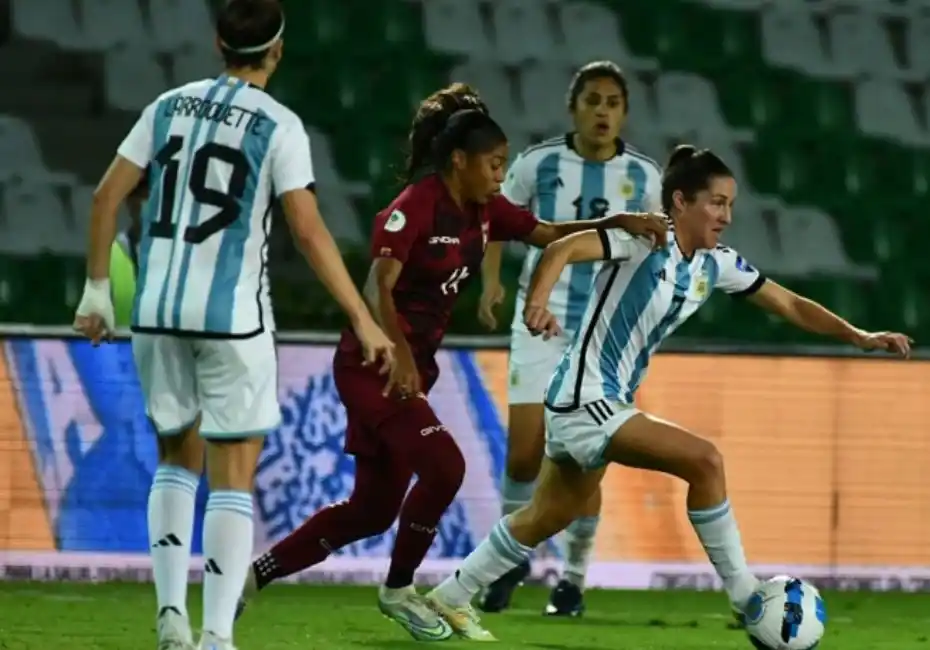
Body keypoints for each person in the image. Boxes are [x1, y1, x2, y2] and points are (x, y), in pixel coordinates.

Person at [425, 145, 912, 641]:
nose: (726, 216)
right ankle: (748, 598)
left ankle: (449, 597)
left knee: (546, 515)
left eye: (730, 205)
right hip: (585, 397)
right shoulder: (643, 238)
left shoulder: (714, 264)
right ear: (680, 202)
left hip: (599, 401)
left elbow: (787, 302)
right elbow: (561, 249)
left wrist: (859, 336)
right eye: (717, 203)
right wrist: (538, 303)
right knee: (705, 461)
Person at [234, 100, 668, 640]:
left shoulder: (487, 212)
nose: (500, 176)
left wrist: (616, 221)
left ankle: (251, 578)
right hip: (376, 367)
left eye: (505, 164)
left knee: (370, 511)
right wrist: (400, 355)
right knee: (446, 467)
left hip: (409, 370)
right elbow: (377, 288)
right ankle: (399, 591)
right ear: (459, 160)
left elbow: (548, 232)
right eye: (493, 164)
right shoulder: (415, 206)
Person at [70, 2, 396, 649]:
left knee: (174, 458)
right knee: (232, 471)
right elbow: (306, 230)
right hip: (231, 322)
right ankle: (216, 634)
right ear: (277, 51)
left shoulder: (167, 106)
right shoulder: (278, 125)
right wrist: (363, 319)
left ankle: (170, 618)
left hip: (157, 313)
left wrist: (97, 291)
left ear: (218, 42)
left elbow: (106, 196)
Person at [476, 60, 662, 617]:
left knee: (586, 457)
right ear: (573, 106)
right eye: (592, 100)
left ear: (624, 112)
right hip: (541, 320)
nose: (602, 111)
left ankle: (573, 581)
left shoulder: (645, 176)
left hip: (602, 336)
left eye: (612, 102)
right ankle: (511, 563)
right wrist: (490, 283)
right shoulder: (539, 163)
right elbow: (495, 221)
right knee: (524, 455)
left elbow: (654, 252)